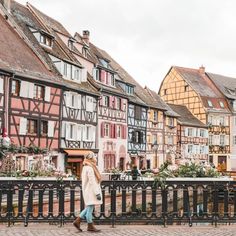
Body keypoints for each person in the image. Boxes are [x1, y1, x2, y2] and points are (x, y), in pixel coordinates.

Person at [73, 152, 102, 232]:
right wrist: (97, 193)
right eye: (94, 157)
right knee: (89, 209)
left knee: (89, 207)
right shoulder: (90, 168)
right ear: (91, 158)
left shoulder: (86, 166)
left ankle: (78, 221)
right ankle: (89, 226)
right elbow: (92, 181)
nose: (95, 158)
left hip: (88, 190)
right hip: (91, 191)